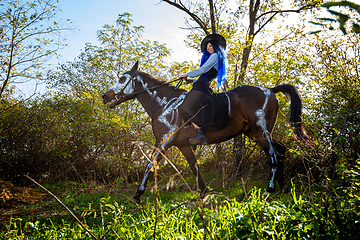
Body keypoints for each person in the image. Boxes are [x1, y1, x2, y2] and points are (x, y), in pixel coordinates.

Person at [179, 33, 228, 145]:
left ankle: (199, 132)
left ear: (215, 46)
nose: (208, 48)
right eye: (207, 47)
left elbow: (203, 70)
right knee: (188, 108)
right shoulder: (215, 58)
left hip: (201, 88)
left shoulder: (215, 56)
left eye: (210, 45)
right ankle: (194, 133)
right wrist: (192, 81)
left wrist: (187, 75)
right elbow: (205, 76)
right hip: (202, 86)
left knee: (184, 107)